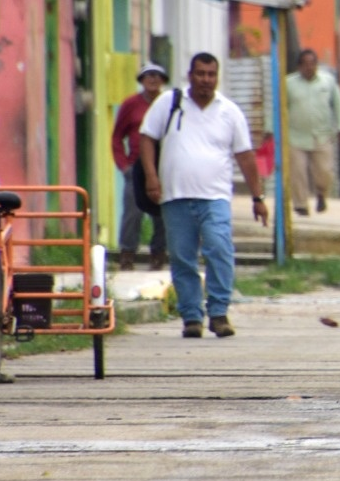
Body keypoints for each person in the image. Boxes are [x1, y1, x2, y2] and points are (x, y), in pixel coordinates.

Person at [139, 53, 268, 339]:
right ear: (190, 76)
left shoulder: (229, 112)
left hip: (215, 197)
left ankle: (219, 312)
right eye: (200, 74)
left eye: (211, 74)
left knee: (219, 249)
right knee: (182, 257)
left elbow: (245, 156)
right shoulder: (169, 103)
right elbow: (147, 138)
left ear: (217, 77)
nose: (206, 80)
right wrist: (151, 177)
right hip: (175, 196)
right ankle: (191, 317)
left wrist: (258, 197)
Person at [110, 63, 169, 270]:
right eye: (148, 75)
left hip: (163, 166)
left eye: (157, 75)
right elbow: (117, 137)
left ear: (163, 80)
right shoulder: (131, 104)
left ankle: (158, 255)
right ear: (141, 80)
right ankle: (127, 255)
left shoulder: (168, 103)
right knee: (132, 213)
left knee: (162, 214)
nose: (152, 79)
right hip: (136, 166)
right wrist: (123, 165)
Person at [284, 48, 340, 217]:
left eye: (312, 64)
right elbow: (279, 108)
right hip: (296, 136)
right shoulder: (288, 84)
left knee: (324, 171)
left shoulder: (328, 82)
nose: (309, 68)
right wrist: (271, 130)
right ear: (299, 67)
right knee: (298, 172)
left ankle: (321, 194)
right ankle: (300, 204)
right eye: (305, 64)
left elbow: (338, 105)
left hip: (322, 135)